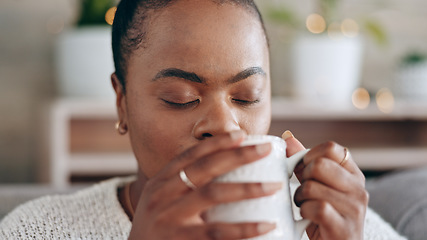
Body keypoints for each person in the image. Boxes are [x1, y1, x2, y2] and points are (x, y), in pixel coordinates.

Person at [0, 0, 407, 239]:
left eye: (247, 98)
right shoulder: (41, 229)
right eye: (181, 99)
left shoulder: (341, 224)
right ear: (122, 102)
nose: (225, 125)